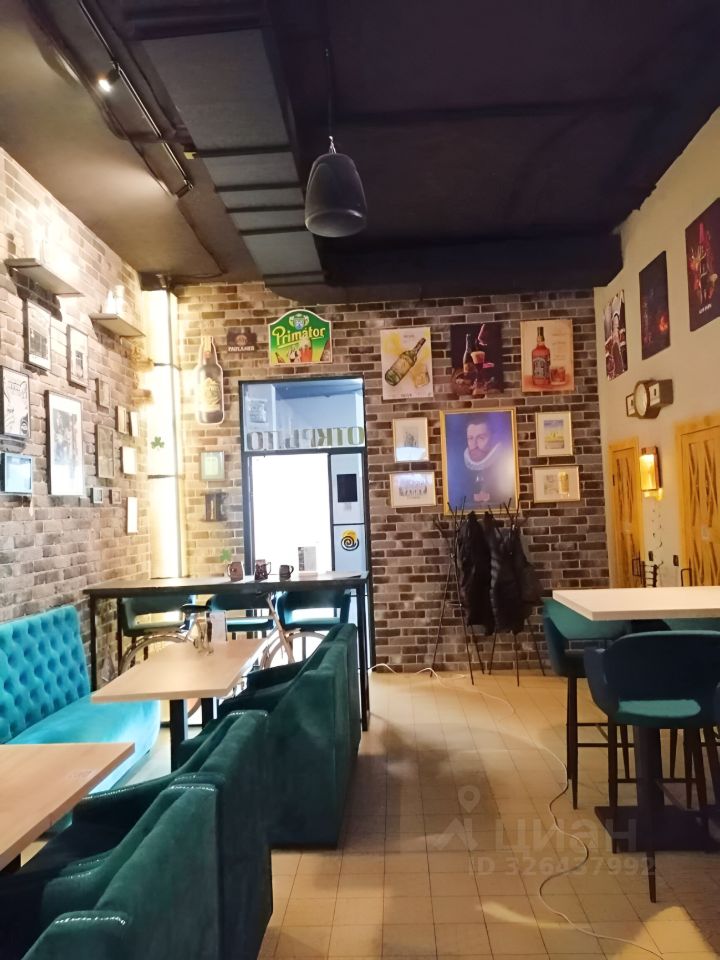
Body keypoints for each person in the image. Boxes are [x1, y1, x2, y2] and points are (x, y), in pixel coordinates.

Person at [453, 417, 514, 508]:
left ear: (493, 438)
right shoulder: (459, 466)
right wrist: (473, 497)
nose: (474, 444)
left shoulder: (504, 462)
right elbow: (456, 498)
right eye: (470, 438)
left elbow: (509, 496)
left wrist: (491, 496)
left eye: (481, 438)